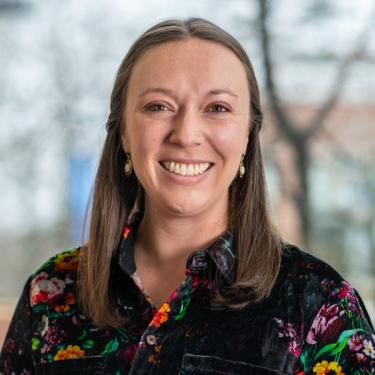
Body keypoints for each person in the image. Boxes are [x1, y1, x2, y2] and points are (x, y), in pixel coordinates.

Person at [0, 17, 374, 375]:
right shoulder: (50, 294)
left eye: (218, 108)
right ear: (125, 134)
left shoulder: (322, 307)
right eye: (158, 106)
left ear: (247, 137)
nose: (186, 133)